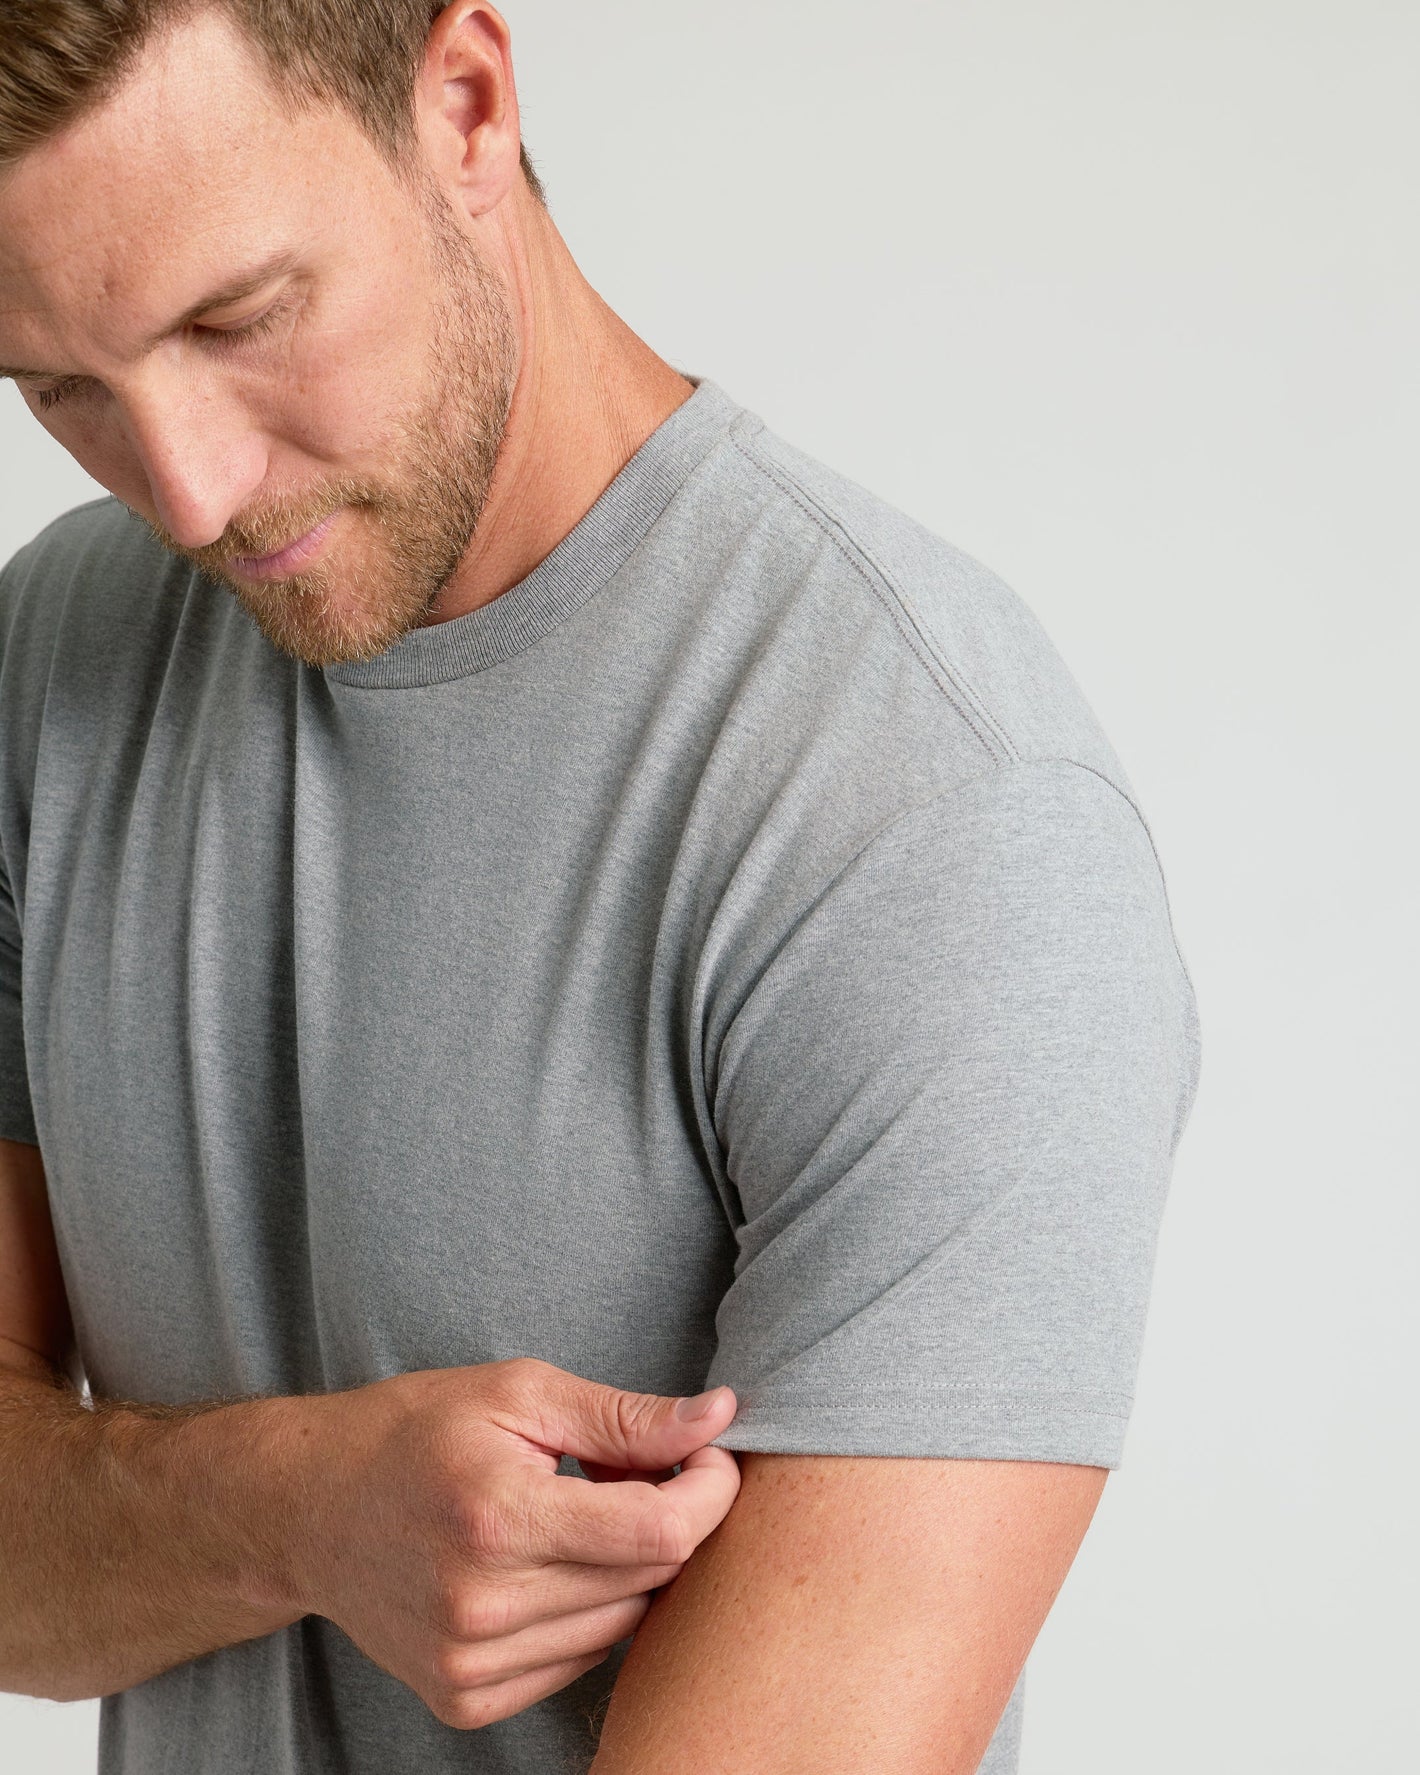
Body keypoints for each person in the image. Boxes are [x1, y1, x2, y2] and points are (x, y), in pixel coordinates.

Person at [0, 4, 1202, 1772]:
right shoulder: (53, 660)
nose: (185, 492)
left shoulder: (931, 818)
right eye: (64, 390)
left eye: (238, 319)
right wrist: (295, 1510)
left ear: (466, 106)